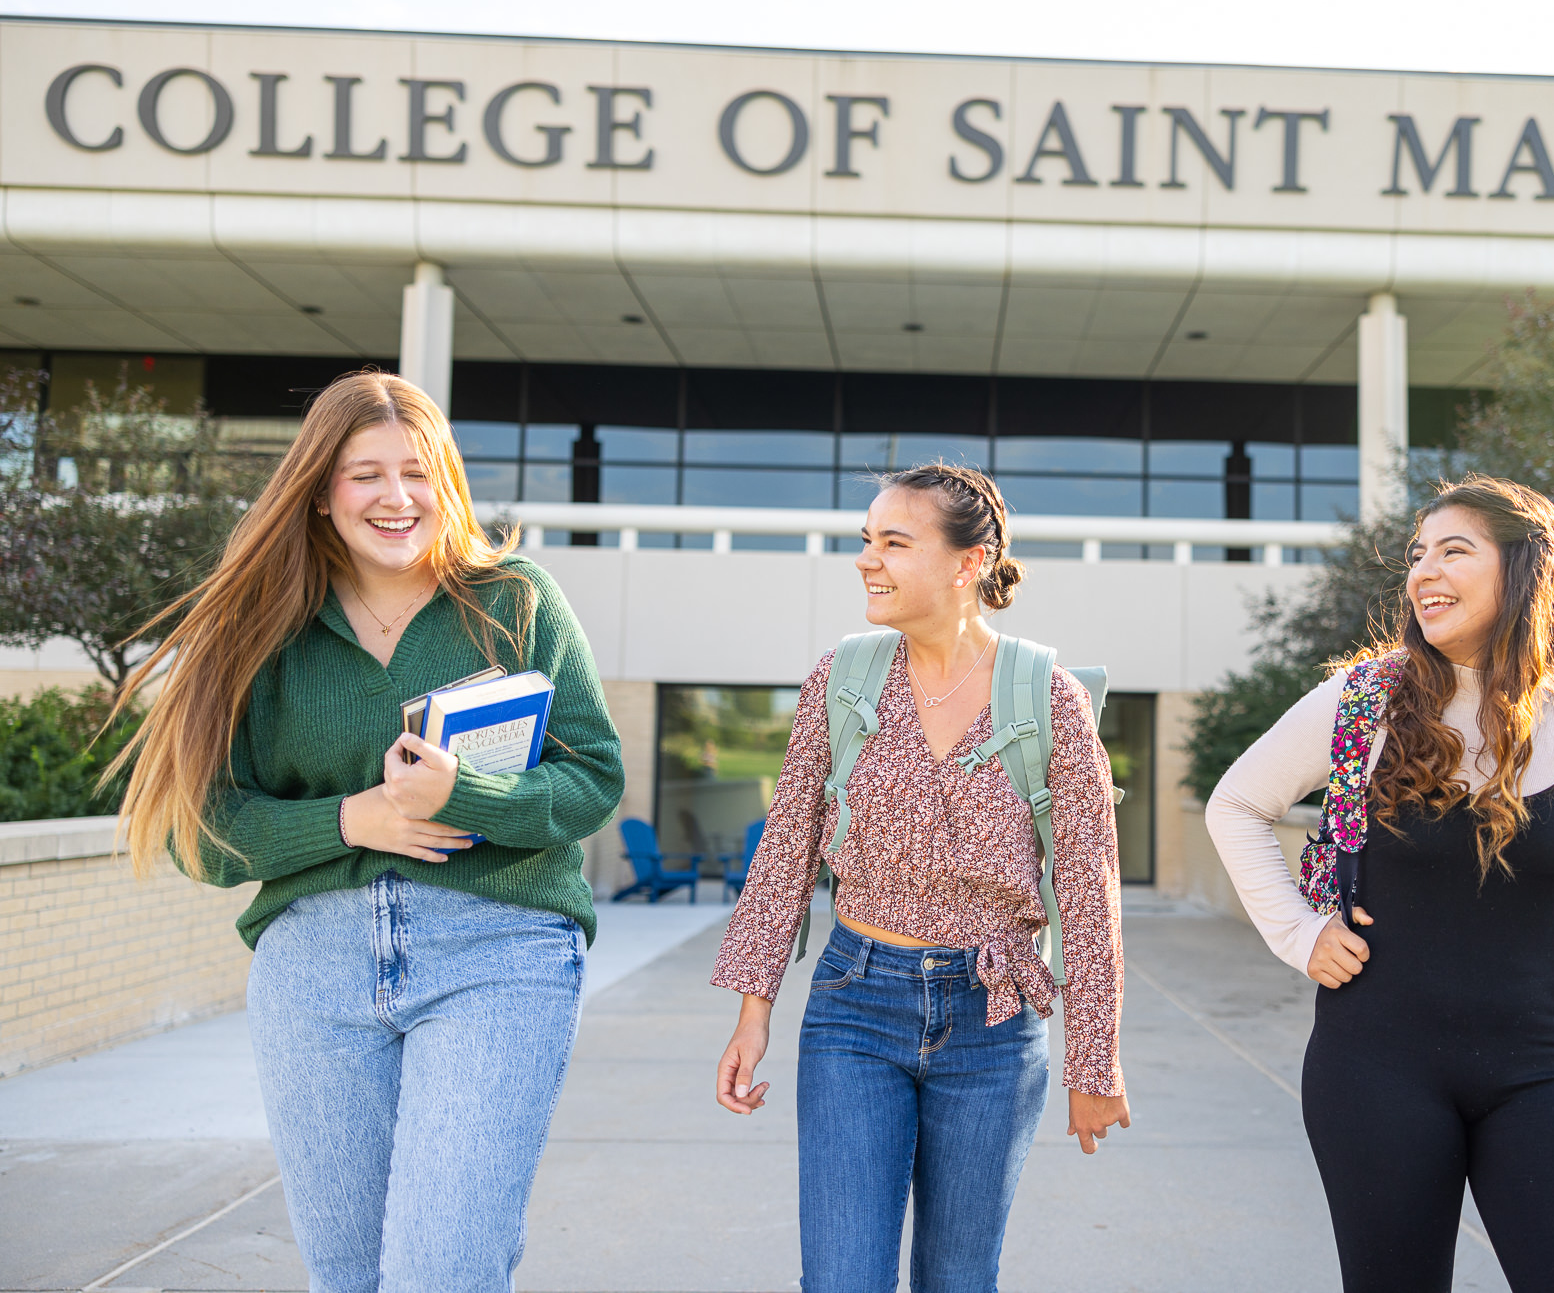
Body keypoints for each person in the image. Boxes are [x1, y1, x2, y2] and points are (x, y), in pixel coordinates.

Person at [106, 372, 623, 1292]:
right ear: (319, 492)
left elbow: (591, 779)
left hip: (498, 952)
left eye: (417, 472)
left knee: (443, 1266)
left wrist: (468, 795)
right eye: (364, 474)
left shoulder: (515, 601)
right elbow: (203, 832)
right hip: (314, 969)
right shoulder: (260, 628)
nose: (396, 497)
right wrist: (357, 819)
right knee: (348, 1276)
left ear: (449, 483)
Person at [1205, 475, 1554, 1293]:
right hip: (1376, 1066)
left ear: (1525, 571)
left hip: (1546, 1065)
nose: (1424, 572)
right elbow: (1237, 804)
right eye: (1418, 555)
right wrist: (1299, 931)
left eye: (1454, 551)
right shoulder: (1362, 702)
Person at [710, 462, 1129, 1293]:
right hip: (854, 1004)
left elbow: (1090, 893)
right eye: (867, 541)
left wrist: (1096, 1064)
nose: (868, 559)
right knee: (841, 1278)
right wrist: (752, 1011)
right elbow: (785, 849)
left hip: (995, 1022)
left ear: (968, 561)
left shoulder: (1050, 697)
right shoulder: (843, 678)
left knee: (958, 1279)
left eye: (895, 542)